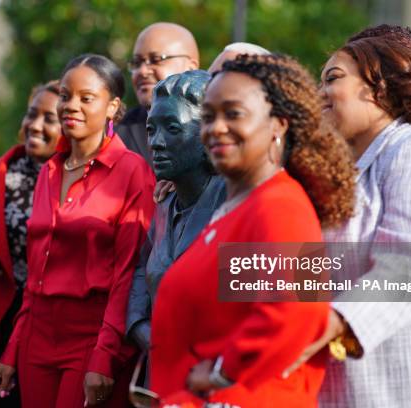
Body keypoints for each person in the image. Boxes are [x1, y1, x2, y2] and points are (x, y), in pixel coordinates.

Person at [149, 54, 356, 407]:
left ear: (278, 125)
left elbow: (298, 310)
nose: (215, 127)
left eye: (233, 114)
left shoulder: (280, 205)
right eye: (209, 116)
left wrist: (221, 371)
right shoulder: (236, 210)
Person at [283, 18, 411, 407]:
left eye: (331, 78)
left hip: (408, 387)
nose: (318, 94)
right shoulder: (346, 173)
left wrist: (330, 325)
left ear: (379, 88)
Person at [0, 54, 155, 408]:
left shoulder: (132, 171)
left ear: (112, 107)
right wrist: (11, 350)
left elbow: (127, 275)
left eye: (86, 97)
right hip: (37, 336)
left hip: (90, 337)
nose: (71, 106)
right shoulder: (50, 170)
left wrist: (104, 356)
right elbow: (36, 277)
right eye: (65, 96)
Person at [0, 79, 62, 407]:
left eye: (49, 118)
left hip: (58, 327)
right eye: (31, 114)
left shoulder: (81, 181)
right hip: (4, 321)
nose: (35, 125)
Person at [125, 70, 226, 355]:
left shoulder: (234, 206)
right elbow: (141, 273)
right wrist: (141, 329)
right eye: (150, 129)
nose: (155, 142)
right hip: (159, 374)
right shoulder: (165, 206)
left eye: (172, 128)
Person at [116, 22, 200, 166]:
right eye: (137, 63)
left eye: (156, 60)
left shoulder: (210, 129)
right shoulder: (116, 132)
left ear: (191, 67)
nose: (142, 71)